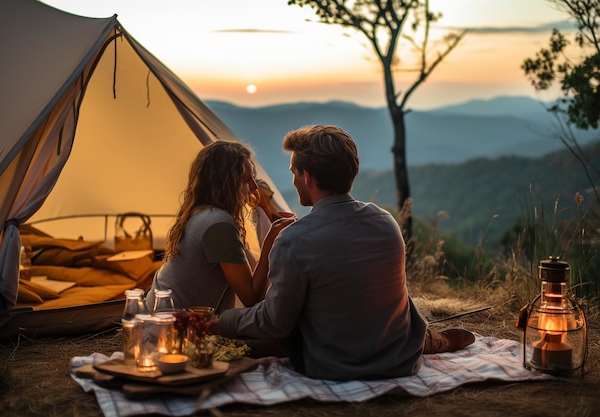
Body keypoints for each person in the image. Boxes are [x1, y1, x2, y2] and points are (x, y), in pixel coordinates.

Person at [219, 125, 475, 381]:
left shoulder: (293, 241)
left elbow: (275, 322)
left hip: (334, 368)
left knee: (290, 311)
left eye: (294, 173)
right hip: (399, 361)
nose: (293, 181)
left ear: (307, 177)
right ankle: (428, 340)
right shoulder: (385, 222)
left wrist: (222, 321)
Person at [145, 141, 295, 314]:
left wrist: (273, 232)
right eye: (246, 180)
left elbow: (254, 278)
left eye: (253, 177)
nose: (254, 186)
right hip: (170, 327)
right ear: (226, 185)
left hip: (160, 314)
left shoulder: (204, 214)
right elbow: (251, 297)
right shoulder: (218, 224)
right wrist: (272, 241)